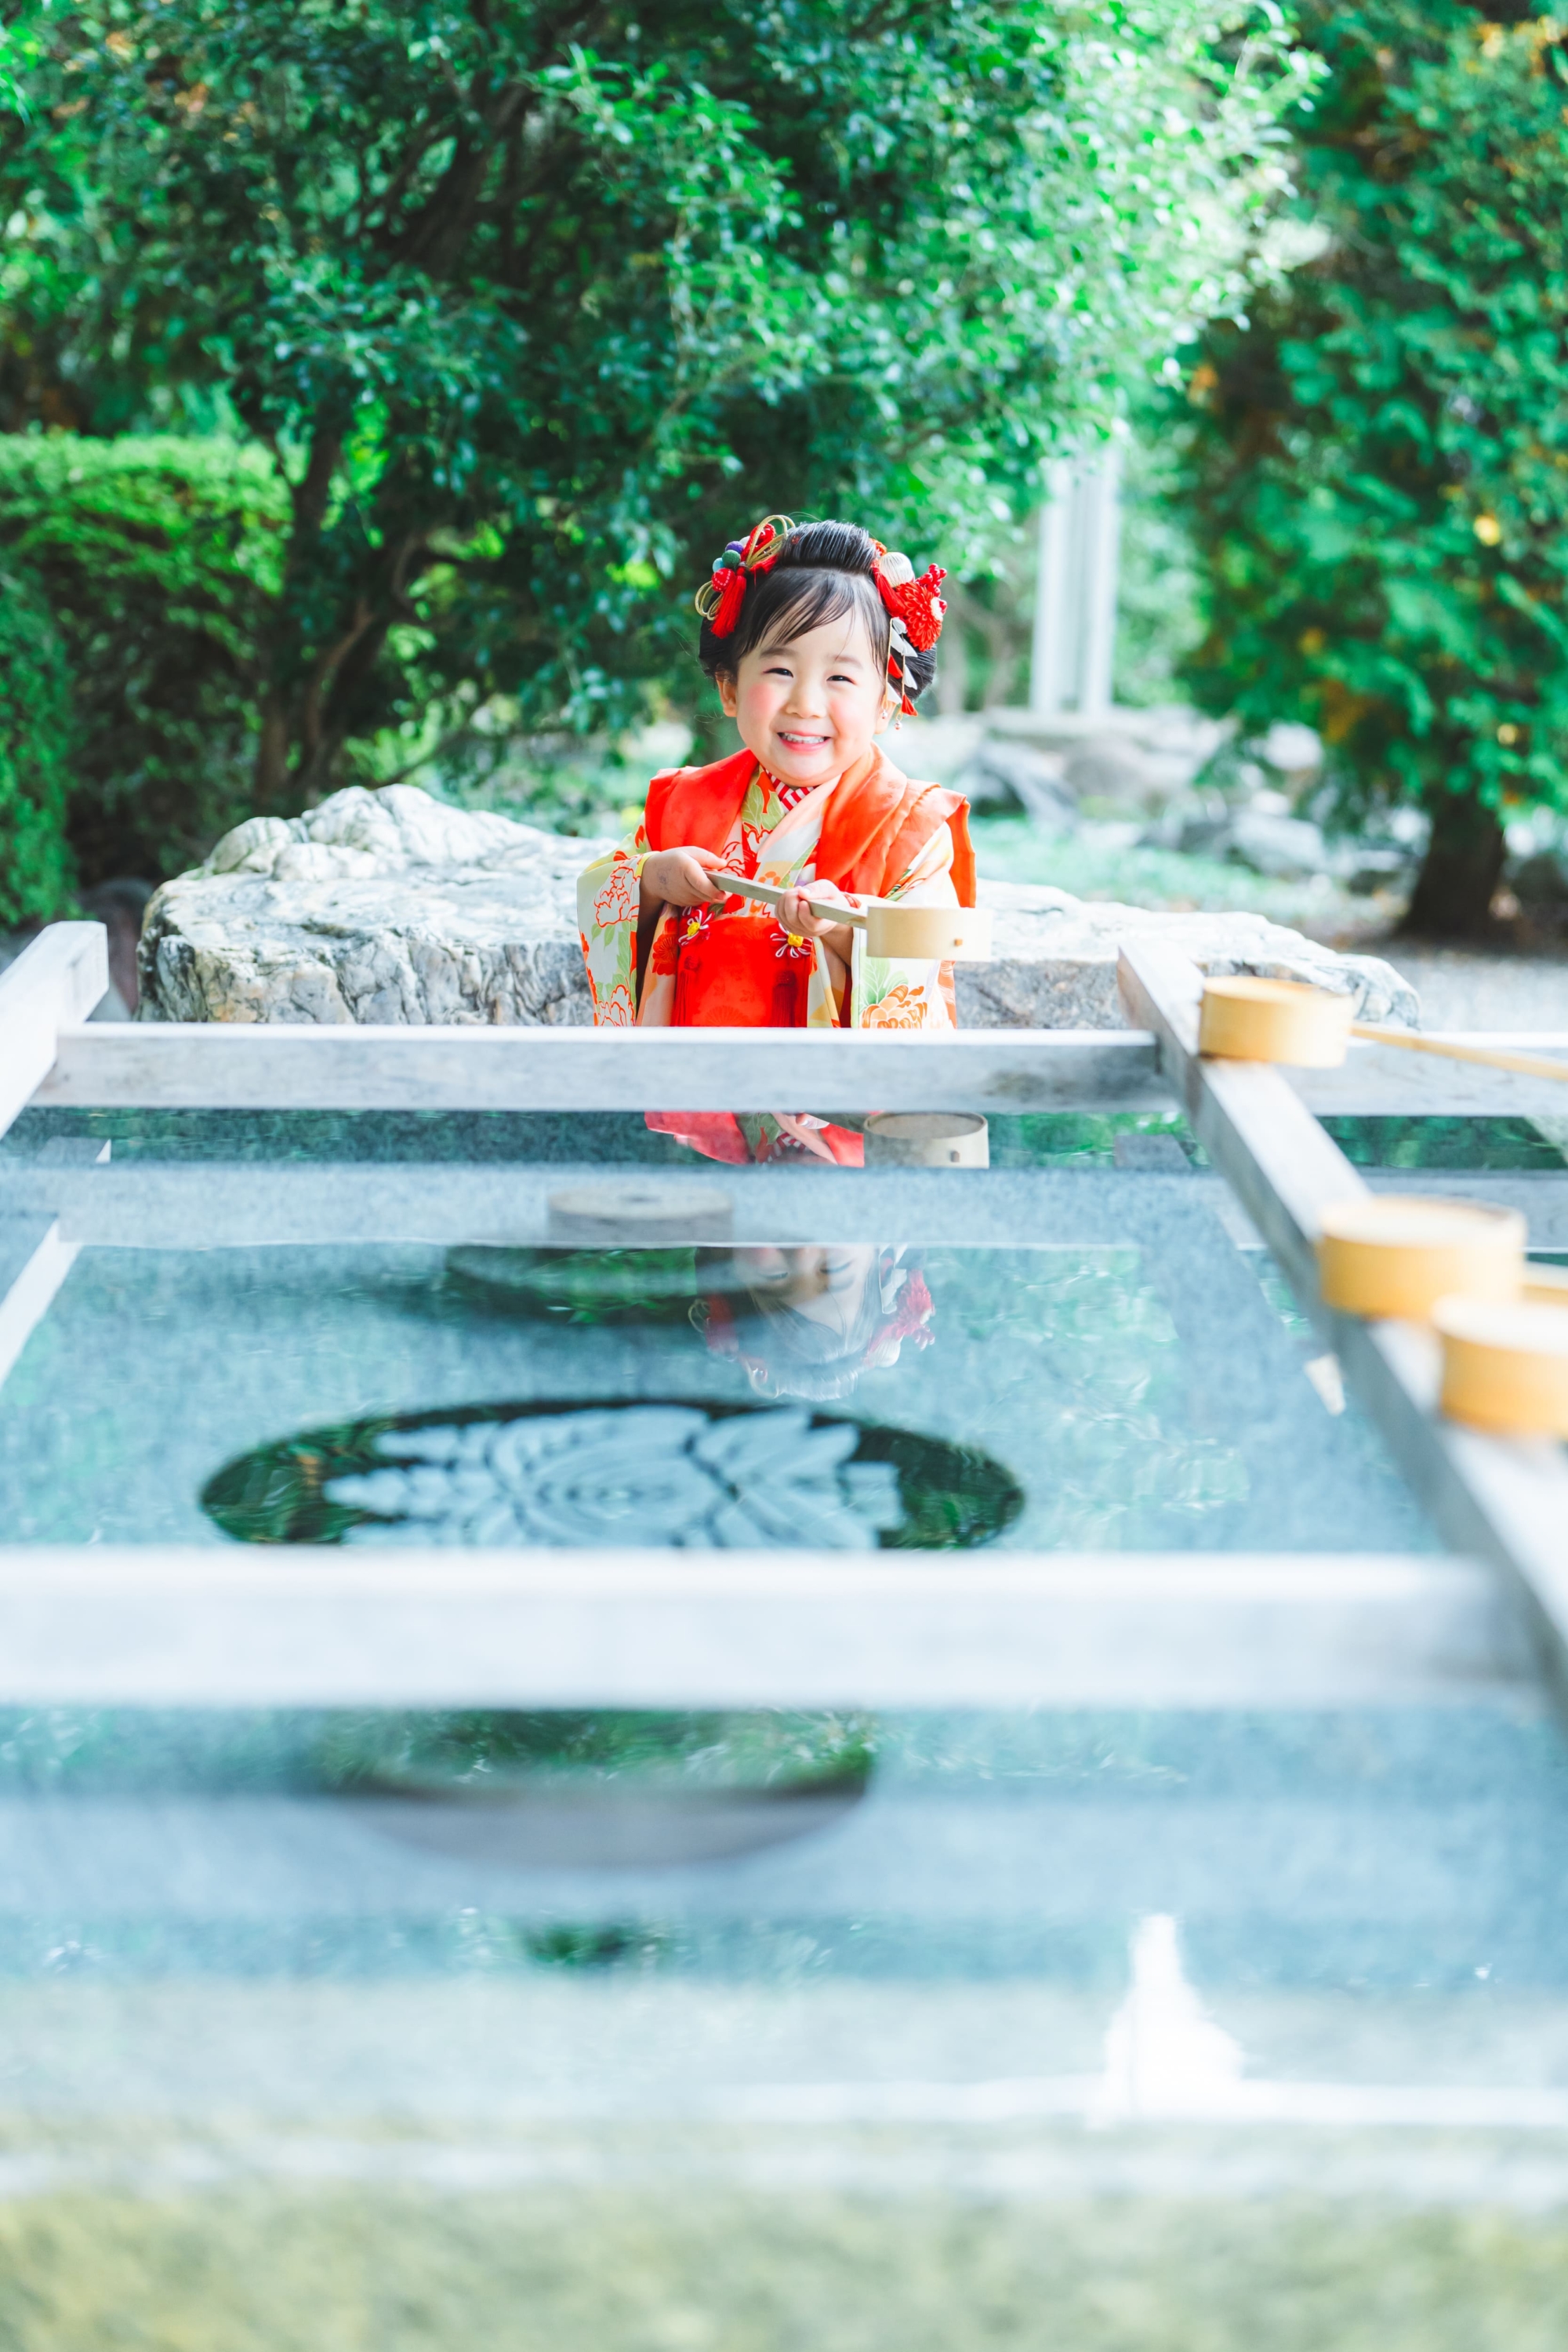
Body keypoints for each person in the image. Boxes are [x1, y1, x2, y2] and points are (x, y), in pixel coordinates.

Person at [577, 515, 975, 1164]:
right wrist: (655, 879)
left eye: (841, 678)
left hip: (842, 1126)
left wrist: (842, 930)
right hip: (714, 1102)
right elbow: (604, 890)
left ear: (886, 702)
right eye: (780, 670)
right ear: (730, 687)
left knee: (836, 1261)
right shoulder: (683, 803)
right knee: (734, 1254)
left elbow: (924, 952)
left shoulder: (911, 825)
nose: (806, 704)